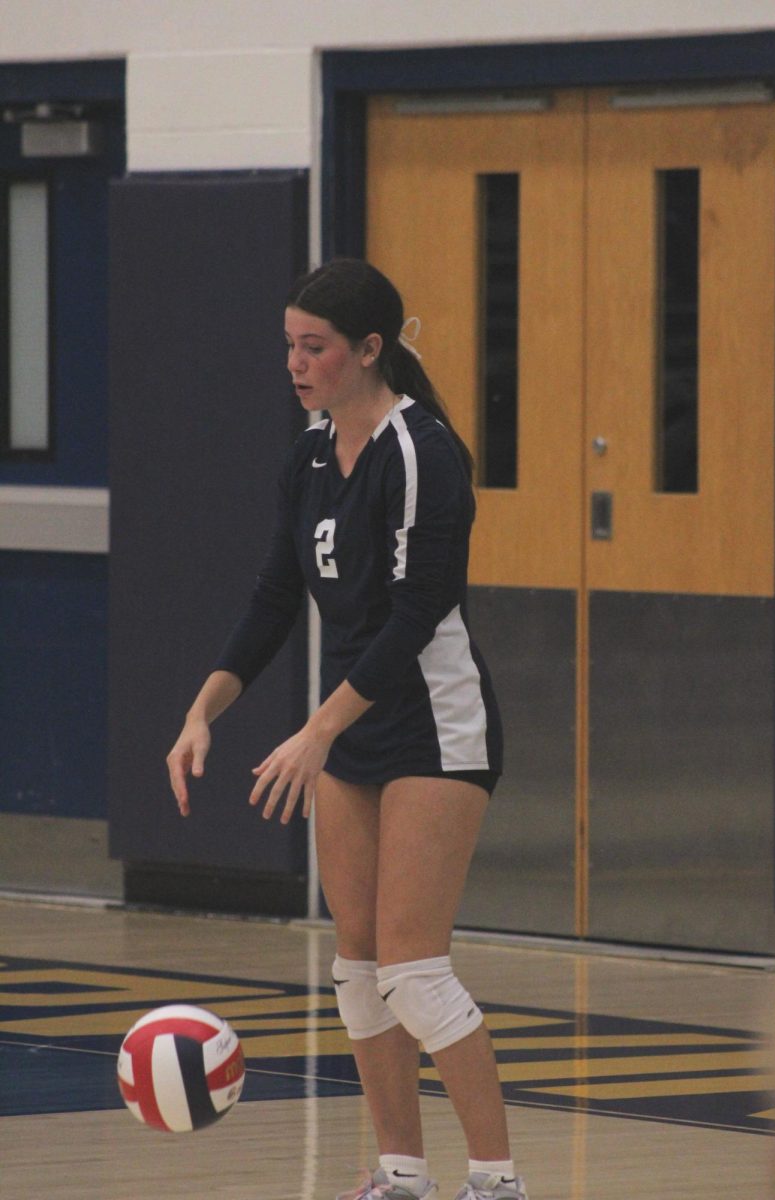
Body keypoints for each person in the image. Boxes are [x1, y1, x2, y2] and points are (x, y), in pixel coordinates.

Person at [166, 258, 526, 1200]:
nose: (295, 363)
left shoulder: (424, 454)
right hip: (353, 731)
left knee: (415, 969)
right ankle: (401, 1174)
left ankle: (496, 1183)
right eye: (288, 345)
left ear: (371, 350)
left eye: (314, 347)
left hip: (436, 728)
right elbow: (276, 594)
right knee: (357, 970)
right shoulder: (312, 456)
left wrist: (316, 730)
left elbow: (417, 615)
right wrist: (203, 711)